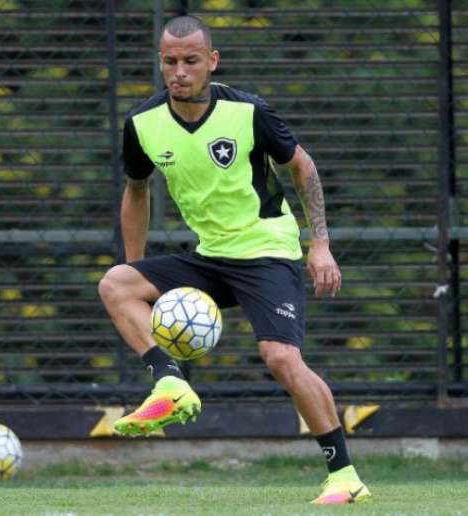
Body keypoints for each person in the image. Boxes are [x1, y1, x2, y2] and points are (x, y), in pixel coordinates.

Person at [97, 15, 370, 505]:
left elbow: (302, 167)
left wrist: (320, 244)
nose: (179, 71)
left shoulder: (247, 111)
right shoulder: (142, 123)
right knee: (116, 284)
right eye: (170, 61)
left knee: (282, 358)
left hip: (267, 250)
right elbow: (135, 192)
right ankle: (171, 383)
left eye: (190, 61)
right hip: (210, 257)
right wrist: (136, 269)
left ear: (212, 61)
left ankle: (345, 476)